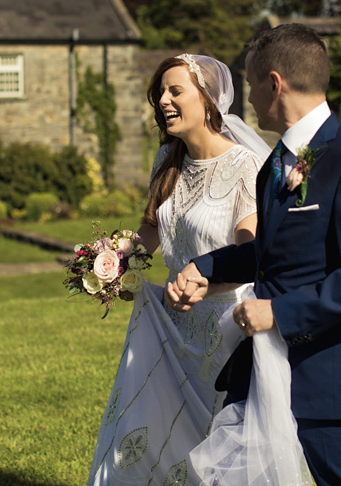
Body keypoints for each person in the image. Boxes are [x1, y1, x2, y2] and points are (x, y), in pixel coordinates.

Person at [169, 23, 341, 486]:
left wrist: (279, 312)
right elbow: (274, 252)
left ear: (275, 84)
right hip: (262, 373)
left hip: (333, 380)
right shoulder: (277, 162)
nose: (248, 98)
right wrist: (205, 267)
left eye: (252, 83)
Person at [87, 53, 276, 486]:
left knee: (218, 453)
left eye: (175, 91)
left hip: (226, 331)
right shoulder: (165, 161)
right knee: (144, 438)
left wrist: (205, 284)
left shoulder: (245, 166)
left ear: (208, 98)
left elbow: (251, 253)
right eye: (160, 94)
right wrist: (110, 264)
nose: (164, 101)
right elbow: (151, 229)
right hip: (170, 329)